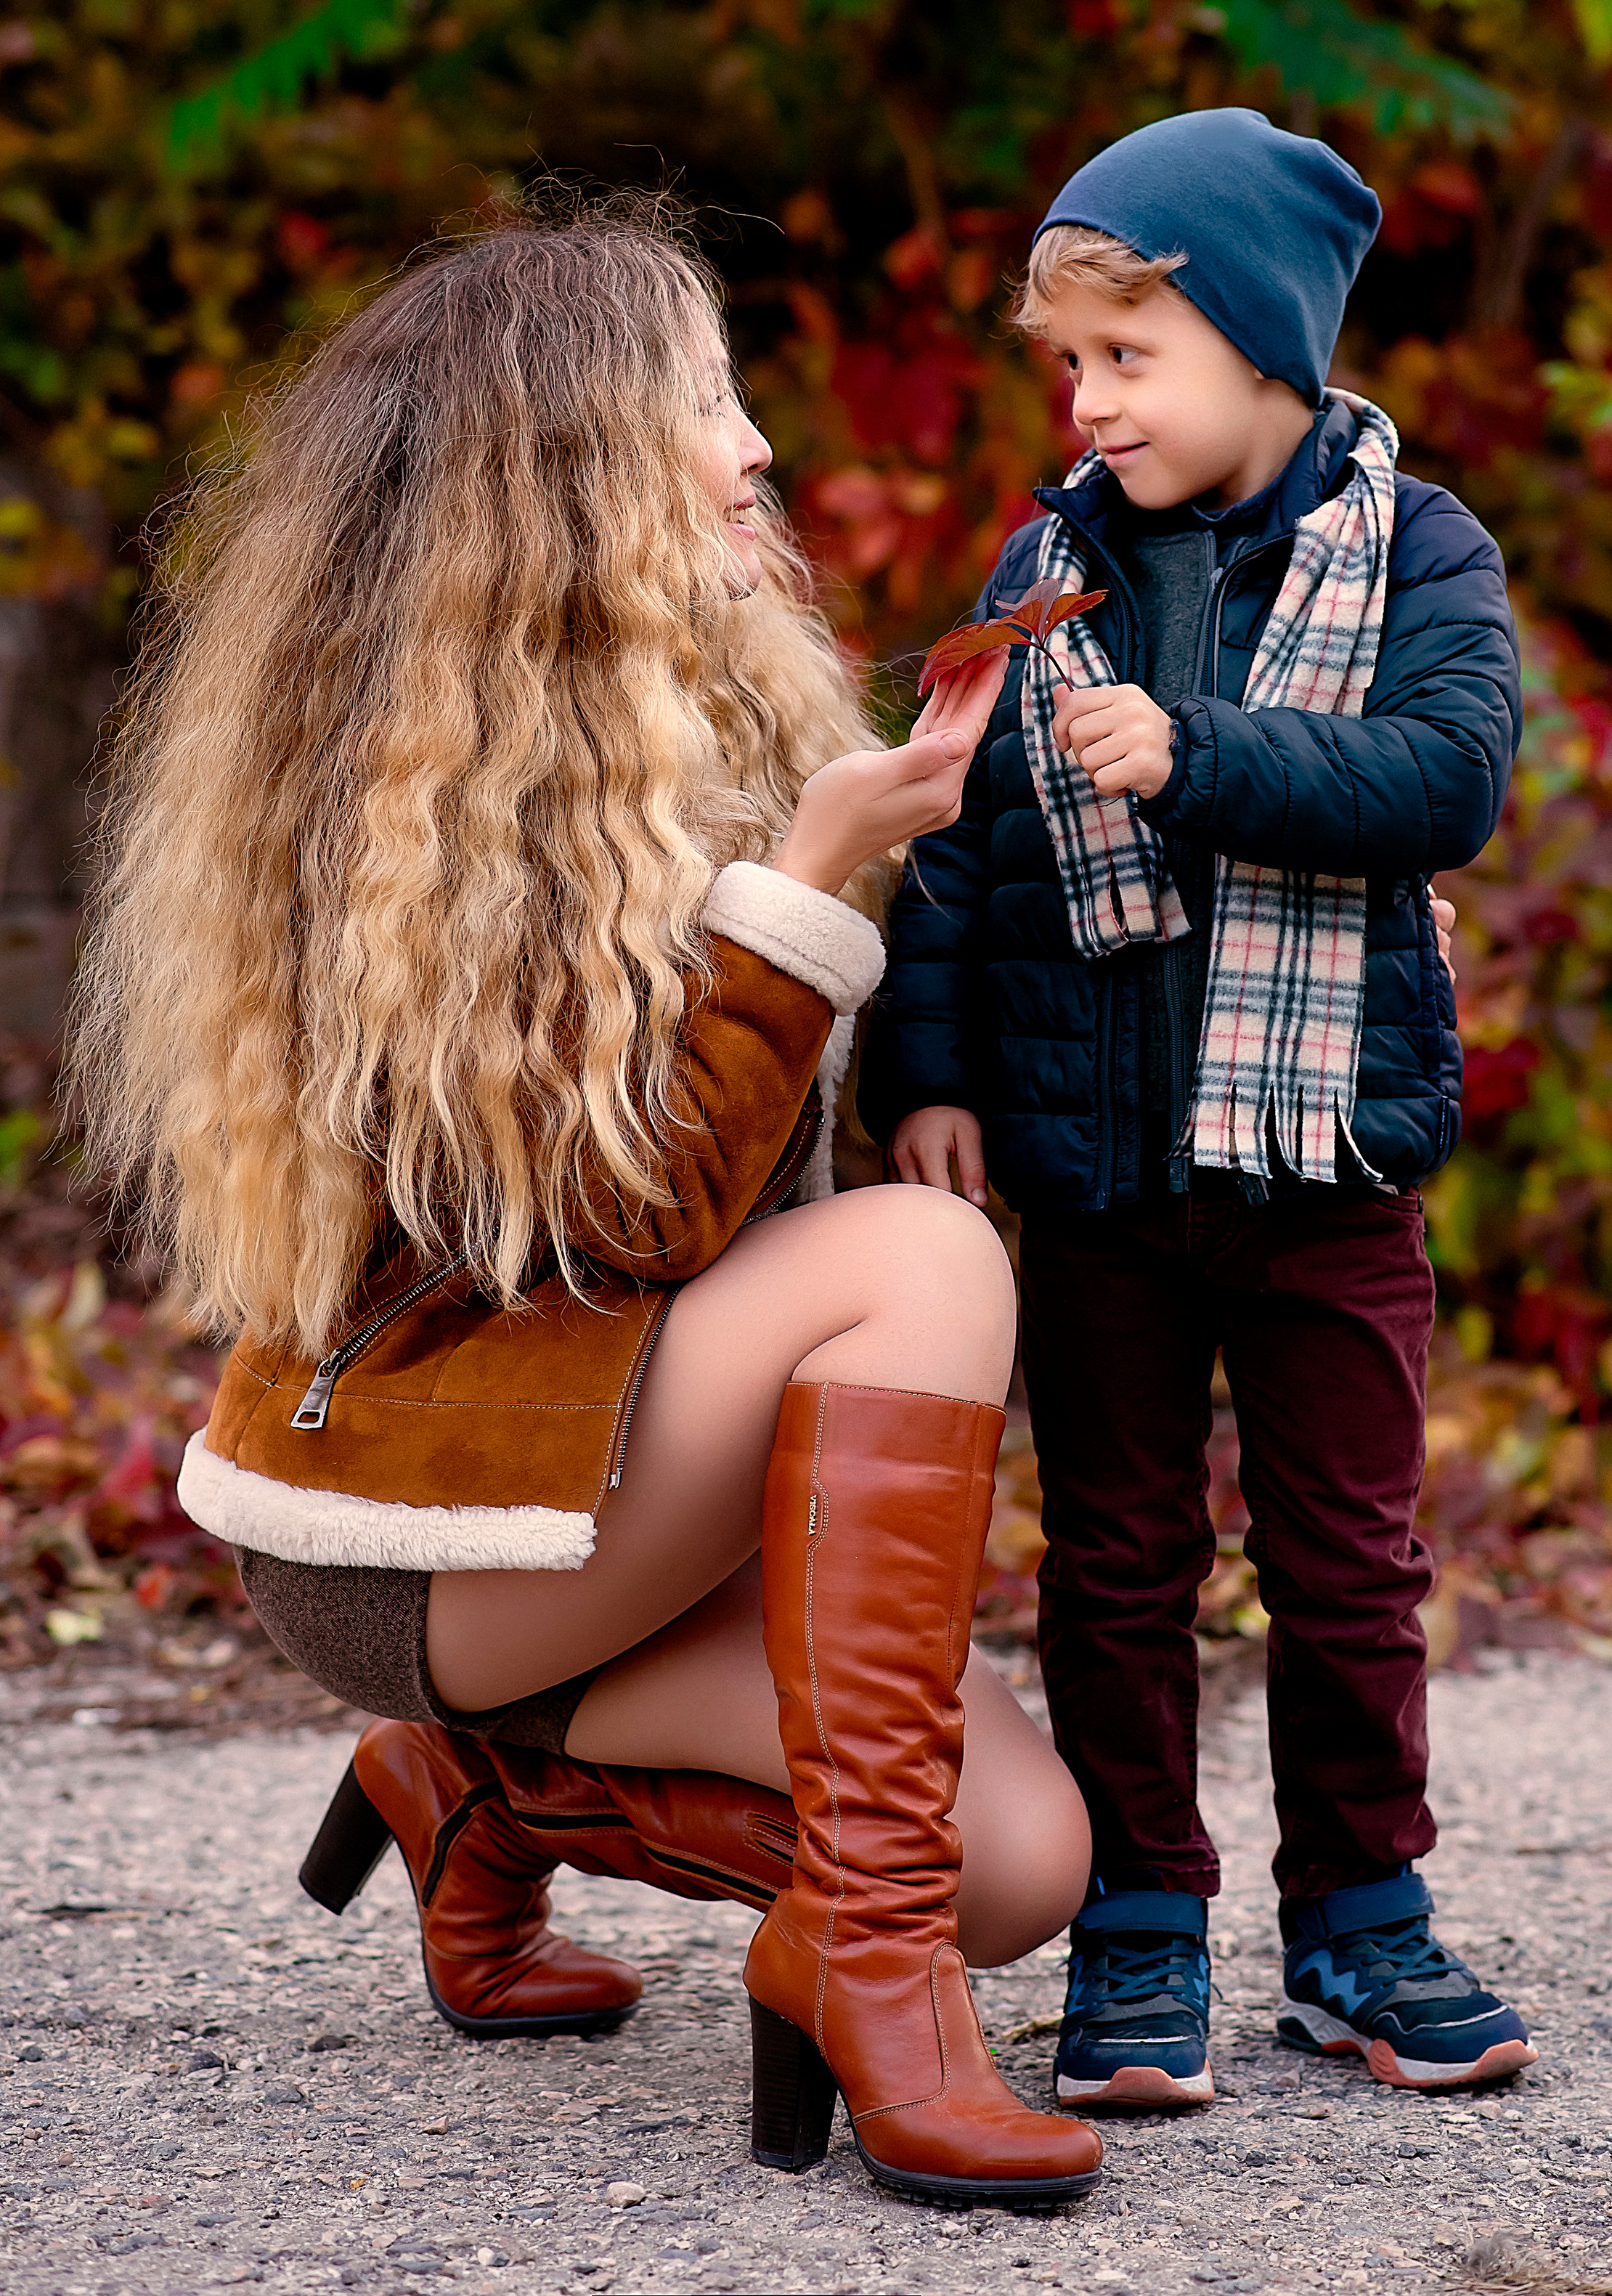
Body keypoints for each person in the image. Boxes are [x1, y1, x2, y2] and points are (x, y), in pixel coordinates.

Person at [65, 203, 1103, 2208]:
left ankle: (476, 1793)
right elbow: (648, 1227)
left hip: (622, 1462)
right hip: (440, 1525)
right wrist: (812, 873)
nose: (754, 449)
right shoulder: (414, 808)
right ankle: (865, 1975)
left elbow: (764, 1202)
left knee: (1025, 1868)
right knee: (920, 1256)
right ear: (560, 474)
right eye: (699, 404)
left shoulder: (703, 710)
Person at [864, 109, 1536, 2108]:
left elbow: (1445, 776)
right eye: (1069, 361)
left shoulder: (1420, 546)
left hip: (1327, 1155)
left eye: (1127, 354)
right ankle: (1141, 1925)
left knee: (1347, 1554)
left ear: (1265, 345)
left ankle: (1361, 1916)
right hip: (1093, 1170)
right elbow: (970, 840)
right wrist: (932, 1070)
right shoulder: (1052, 554)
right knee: (1117, 1559)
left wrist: (1199, 751)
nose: (1087, 400)